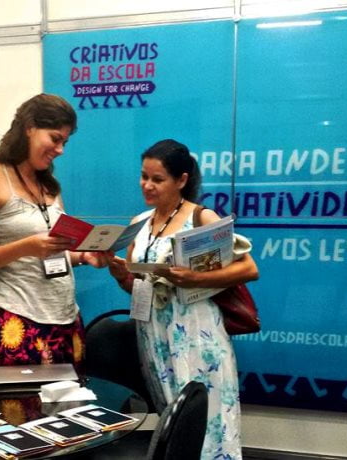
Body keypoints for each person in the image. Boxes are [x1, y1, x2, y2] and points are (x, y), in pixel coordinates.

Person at [107, 139, 259, 459]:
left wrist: (195, 278)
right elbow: (137, 288)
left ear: (182, 180)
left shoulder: (201, 218)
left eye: (157, 179)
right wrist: (123, 276)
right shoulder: (139, 223)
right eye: (144, 176)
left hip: (197, 333)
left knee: (209, 420)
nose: (147, 185)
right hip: (154, 336)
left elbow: (249, 268)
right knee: (173, 426)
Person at [0, 93, 108, 372]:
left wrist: (85, 255)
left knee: (67, 413)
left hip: (65, 318)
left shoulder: (49, 186)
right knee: (20, 412)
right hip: (17, 320)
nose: (60, 149)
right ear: (29, 128)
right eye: (54, 138)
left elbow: (51, 252)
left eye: (65, 141)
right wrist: (25, 247)